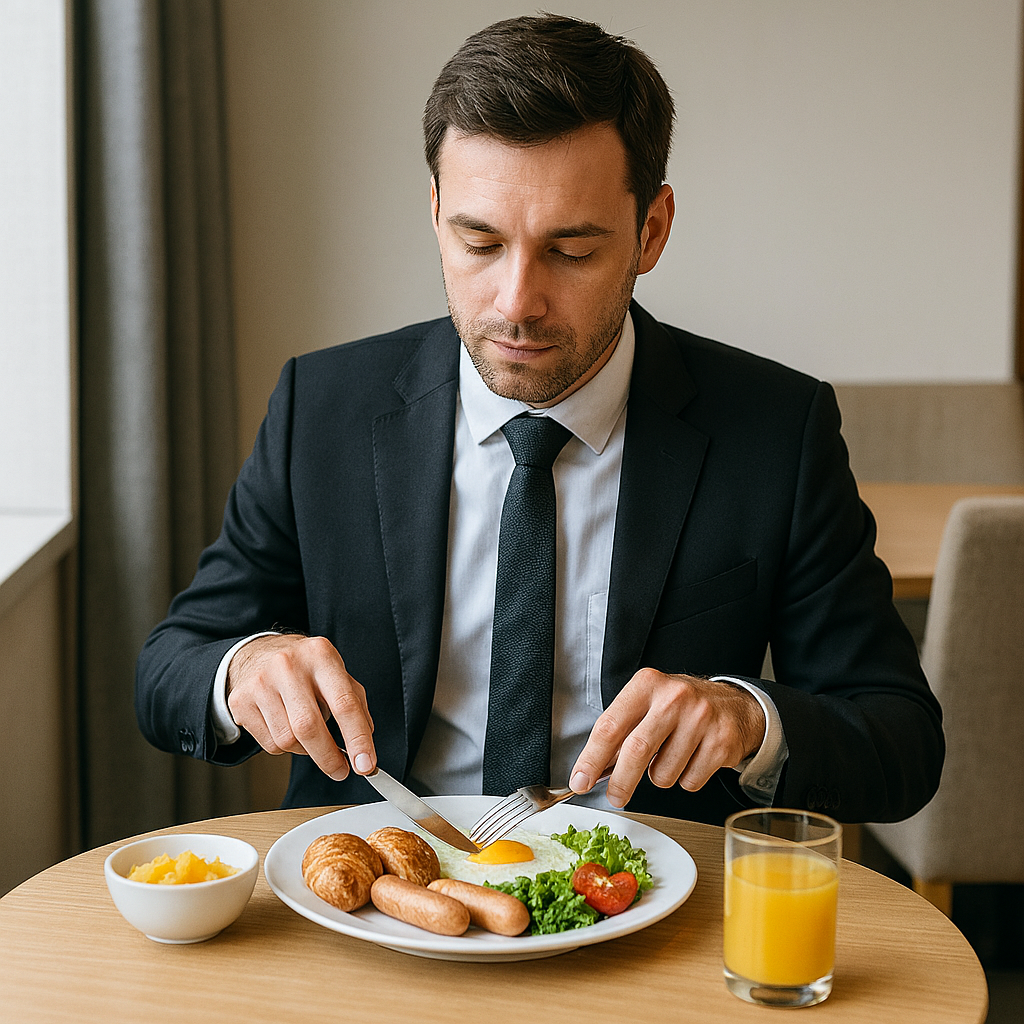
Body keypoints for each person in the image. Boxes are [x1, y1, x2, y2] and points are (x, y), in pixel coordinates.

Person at [136, 13, 943, 826]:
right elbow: (169, 665)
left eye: (572, 251)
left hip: (650, 905)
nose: (516, 302)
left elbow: (900, 741)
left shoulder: (776, 429)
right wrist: (243, 670)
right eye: (479, 243)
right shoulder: (324, 405)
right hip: (383, 897)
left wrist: (750, 721)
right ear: (435, 212)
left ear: (650, 230)